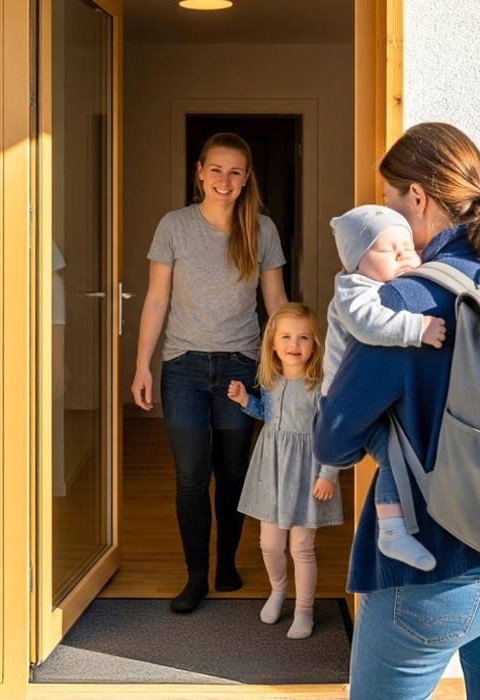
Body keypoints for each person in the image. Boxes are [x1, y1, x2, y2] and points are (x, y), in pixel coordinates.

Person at [316, 122, 480, 700]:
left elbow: (334, 442)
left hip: (434, 569)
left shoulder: (405, 301)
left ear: (418, 198)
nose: (389, 214)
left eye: (390, 201)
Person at [131, 132, 288, 614]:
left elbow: (276, 301)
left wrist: (288, 365)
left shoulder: (261, 230)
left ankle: (227, 563)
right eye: (215, 170)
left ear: (246, 178)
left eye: (235, 172)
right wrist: (142, 365)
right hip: (183, 368)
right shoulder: (174, 226)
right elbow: (156, 299)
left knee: (234, 474)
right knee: (192, 476)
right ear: (199, 172)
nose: (224, 180)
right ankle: (196, 575)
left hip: (241, 365)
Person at [324, 205, 444, 572]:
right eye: (387, 250)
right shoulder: (353, 288)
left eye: (408, 247)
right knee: (394, 455)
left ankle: (397, 524)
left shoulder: (389, 282)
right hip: (343, 397)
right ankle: (391, 531)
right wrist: (417, 329)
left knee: (400, 452)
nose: (403, 256)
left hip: (373, 398)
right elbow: (368, 324)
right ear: (356, 262)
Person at [224, 304, 339, 640]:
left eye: (303, 337)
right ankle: (278, 589)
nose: (294, 344)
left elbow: (333, 433)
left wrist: (328, 474)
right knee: (269, 544)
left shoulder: (320, 386)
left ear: (315, 344)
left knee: (301, 547)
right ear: (273, 343)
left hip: (308, 472)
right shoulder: (269, 380)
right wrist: (246, 401)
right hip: (271, 472)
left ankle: (304, 610)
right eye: (286, 337)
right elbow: (269, 415)